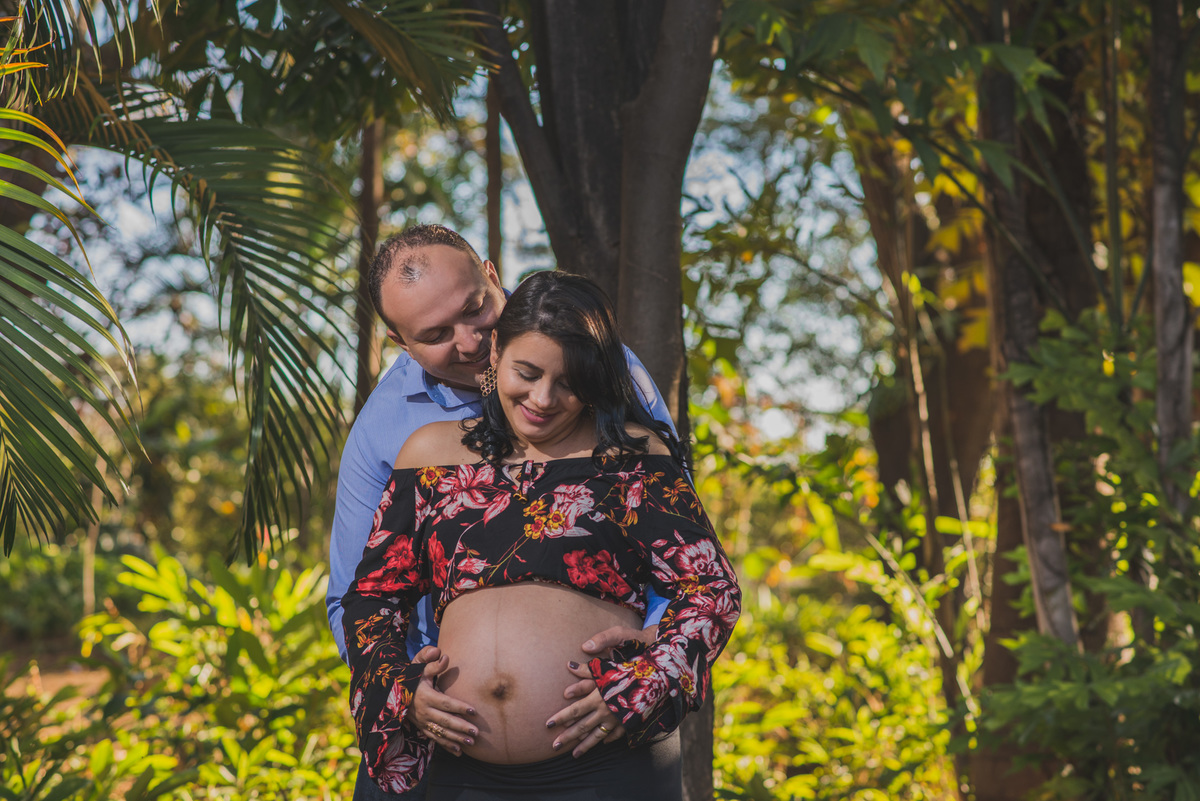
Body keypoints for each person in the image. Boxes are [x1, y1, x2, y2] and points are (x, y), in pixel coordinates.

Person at [342, 271, 741, 800]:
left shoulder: (631, 459)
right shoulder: (427, 456)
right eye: (526, 373)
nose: (543, 398)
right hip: (456, 767)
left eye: (569, 382)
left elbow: (711, 589)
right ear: (496, 353)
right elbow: (371, 598)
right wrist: (403, 691)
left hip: (602, 762)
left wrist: (646, 680)